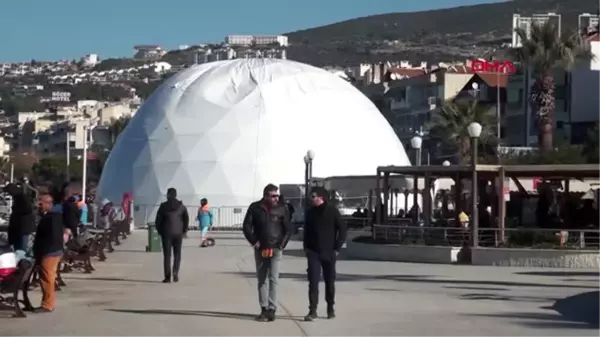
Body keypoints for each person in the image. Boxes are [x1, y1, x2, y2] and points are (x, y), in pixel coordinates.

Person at [242, 184, 293, 322]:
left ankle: (272, 308)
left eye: (277, 195)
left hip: (276, 249)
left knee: (274, 279)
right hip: (261, 248)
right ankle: (264, 309)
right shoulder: (255, 207)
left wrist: (282, 245)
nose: (276, 198)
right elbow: (246, 226)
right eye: (273, 196)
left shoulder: (282, 208)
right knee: (262, 279)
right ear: (265, 196)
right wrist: (254, 241)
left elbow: (288, 229)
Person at [303, 186, 347, 322]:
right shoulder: (310, 213)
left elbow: (343, 229)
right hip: (313, 252)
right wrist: (306, 248)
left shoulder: (332, 211)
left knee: (329, 281)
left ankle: (330, 308)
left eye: (314, 196)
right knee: (313, 282)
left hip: (329, 252)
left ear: (321, 197)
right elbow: (307, 231)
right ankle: (313, 310)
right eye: (311, 196)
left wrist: (337, 248)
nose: (312, 198)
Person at [32, 193, 64, 313]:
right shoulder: (54, 216)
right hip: (54, 250)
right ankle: (48, 302)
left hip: (49, 252)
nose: (38, 205)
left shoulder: (50, 218)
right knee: (48, 277)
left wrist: (42, 252)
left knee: (47, 278)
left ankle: (48, 304)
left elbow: (49, 237)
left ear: (47, 204)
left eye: (40, 203)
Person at [155, 188, 189, 283]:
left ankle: (167, 277)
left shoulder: (163, 206)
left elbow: (158, 221)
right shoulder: (181, 207)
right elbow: (186, 219)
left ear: (168, 195)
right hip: (178, 234)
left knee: (167, 256)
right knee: (177, 254)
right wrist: (184, 230)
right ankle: (175, 273)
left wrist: (160, 231)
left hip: (166, 234)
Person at [6, 183, 36, 252]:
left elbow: (28, 209)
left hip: (24, 226)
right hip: (18, 227)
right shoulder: (17, 197)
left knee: (22, 249)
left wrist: (17, 210)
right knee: (18, 247)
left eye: (9, 192)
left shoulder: (22, 197)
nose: (9, 194)